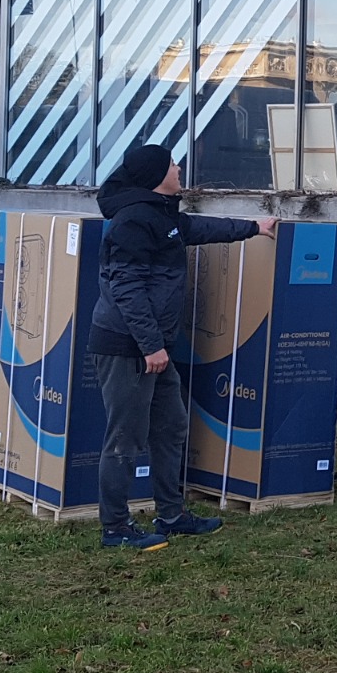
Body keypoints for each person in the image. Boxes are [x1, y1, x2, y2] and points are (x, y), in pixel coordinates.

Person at [90, 144, 275, 550]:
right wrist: (151, 346)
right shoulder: (134, 221)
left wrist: (253, 227)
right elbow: (126, 286)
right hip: (129, 346)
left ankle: (171, 515)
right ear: (157, 174)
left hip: (153, 348)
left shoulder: (162, 214)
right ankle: (115, 527)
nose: (179, 168)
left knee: (171, 426)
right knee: (124, 437)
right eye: (173, 163)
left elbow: (200, 231)